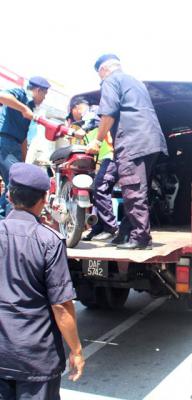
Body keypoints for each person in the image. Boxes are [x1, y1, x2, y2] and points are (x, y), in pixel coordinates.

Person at [0, 162, 85, 399]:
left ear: (9, 195)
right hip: (36, 359)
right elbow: (61, 306)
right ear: (44, 199)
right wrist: (76, 350)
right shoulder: (49, 240)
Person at [86, 54, 168, 249]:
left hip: (133, 141)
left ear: (103, 70)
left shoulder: (110, 81)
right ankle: (126, 234)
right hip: (151, 141)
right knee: (139, 190)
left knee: (132, 191)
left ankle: (141, 239)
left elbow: (109, 112)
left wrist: (97, 141)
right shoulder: (136, 82)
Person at [66, 97, 118, 241]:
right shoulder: (86, 119)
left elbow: (93, 120)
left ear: (77, 107)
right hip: (102, 159)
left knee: (100, 189)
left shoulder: (92, 111)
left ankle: (110, 228)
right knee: (97, 193)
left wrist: (80, 129)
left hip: (110, 155)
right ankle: (97, 229)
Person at [0, 76, 50, 214]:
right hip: (4, 141)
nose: (44, 98)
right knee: (17, 184)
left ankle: (3, 218)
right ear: (38, 91)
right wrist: (23, 109)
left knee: (14, 182)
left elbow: (23, 139)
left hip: (14, 145)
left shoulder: (31, 109)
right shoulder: (20, 94)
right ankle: (12, 222)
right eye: (44, 94)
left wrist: (23, 164)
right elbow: (2, 96)